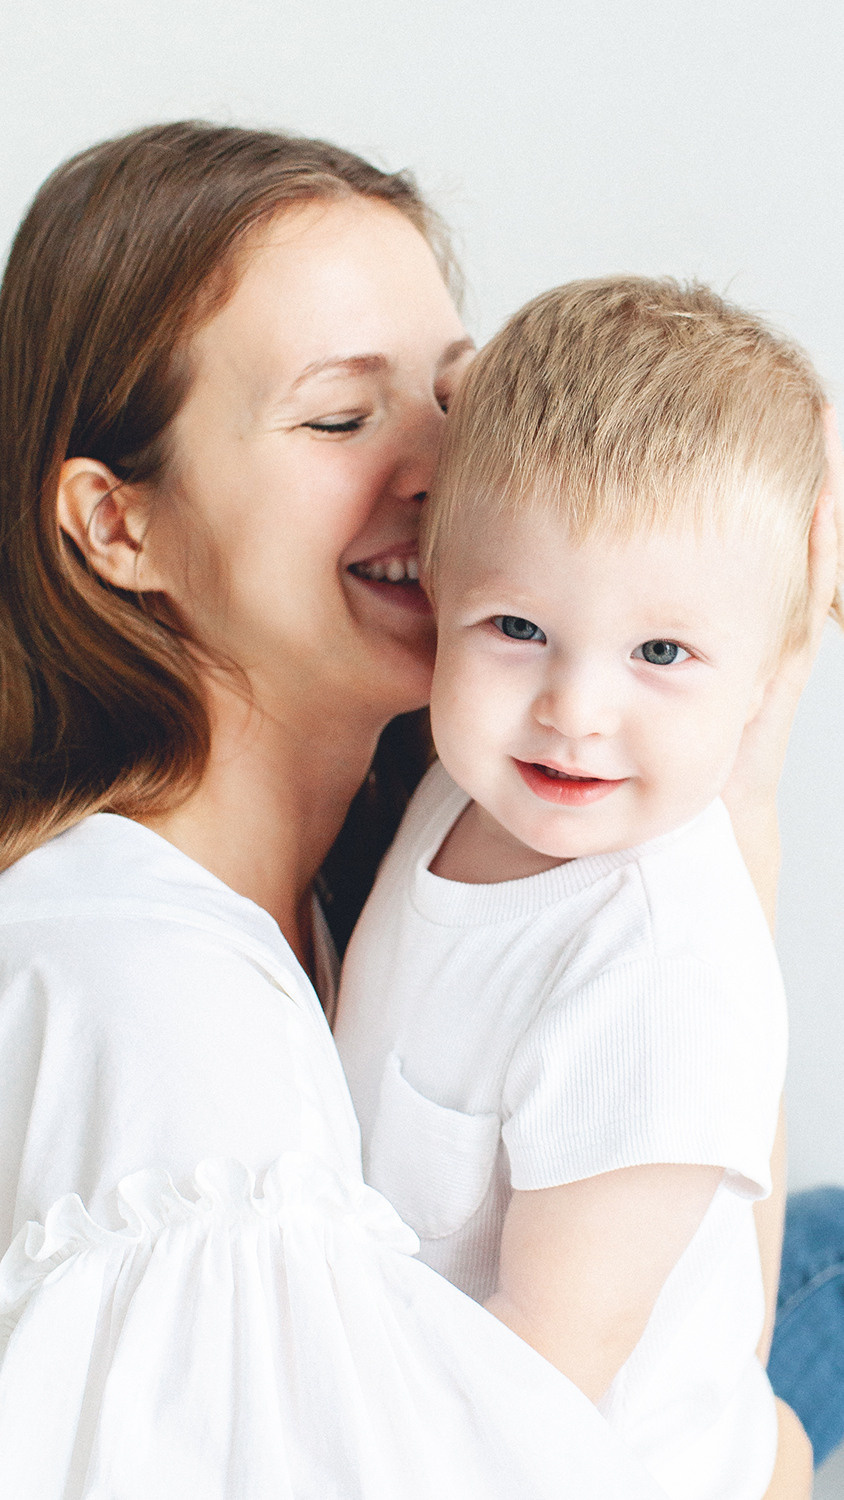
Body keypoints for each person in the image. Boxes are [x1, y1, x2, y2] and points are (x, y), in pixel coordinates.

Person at [0, 122, 838, 1497]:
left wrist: (742, 774)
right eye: (338, 416)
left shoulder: (439, 821)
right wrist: (771, 1466)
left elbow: (686, 1162)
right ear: (115, 524)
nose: (442, 472)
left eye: (452, 401)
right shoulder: (163, 1020)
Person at [334, 277, 843, 1500]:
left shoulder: (655, 970)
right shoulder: (469, 784)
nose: (574, 709)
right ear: (435, 586)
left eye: (661, 653)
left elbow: (534, 1396)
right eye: (516, 627)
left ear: (771, 669)